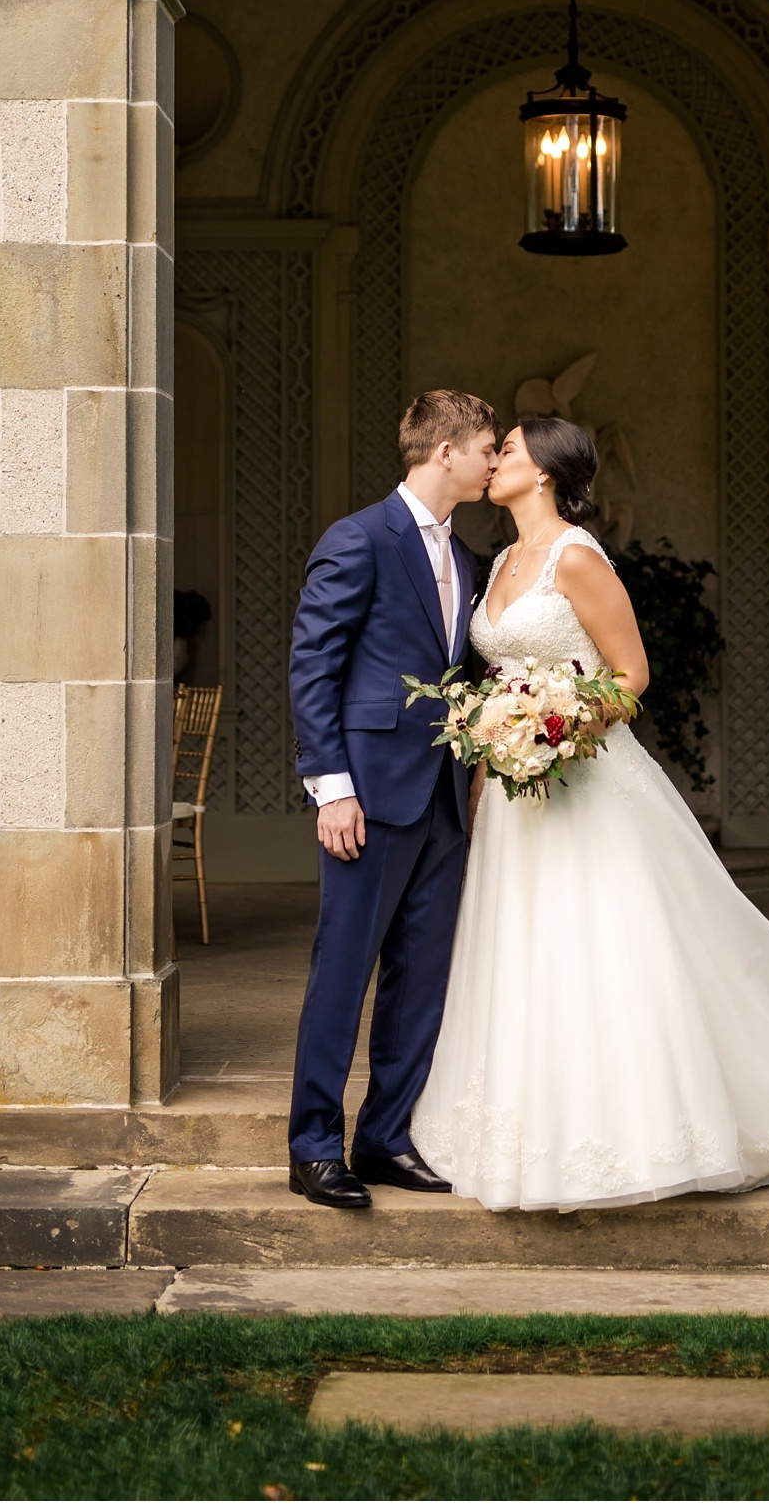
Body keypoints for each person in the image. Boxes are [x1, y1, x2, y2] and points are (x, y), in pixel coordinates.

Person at [411, 415, 769, 1212]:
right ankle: (522, 1127)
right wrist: (501, 735)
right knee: (525, 952)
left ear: (548, 470)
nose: (496, 460)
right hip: (513, 802)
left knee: (605, 950)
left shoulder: (578, 556)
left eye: (511, 449)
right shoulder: (495, 563)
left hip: (584, 786)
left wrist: (557, 727)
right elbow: (495, 673)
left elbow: (630, 675)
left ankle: (642, 1124)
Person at [286, 389, 498, 1210]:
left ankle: (383, 1136)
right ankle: (312, 1147)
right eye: (485, 447)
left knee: (421, 976)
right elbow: (314, 667)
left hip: (442, 797)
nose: (491, 461)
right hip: (367, 799)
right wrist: (331, 786)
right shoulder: (358, 538)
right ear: (445, 450)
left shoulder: (468, 557)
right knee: (343, 970)